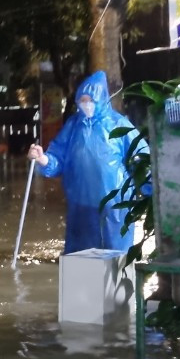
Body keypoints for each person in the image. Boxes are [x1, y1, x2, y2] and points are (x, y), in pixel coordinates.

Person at [27, 70, 150, 254]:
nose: (86, 104)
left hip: (115, 206)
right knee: (81, 258)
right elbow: (58, 157)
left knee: (116, 257)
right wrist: (42, 158)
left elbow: (141, 158)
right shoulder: (73, 125)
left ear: (101, 99)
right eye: (82, 100)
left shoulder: (119, 125)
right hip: (81, 206)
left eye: (90, 100)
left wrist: (151, 186)